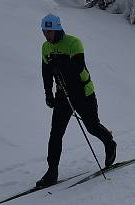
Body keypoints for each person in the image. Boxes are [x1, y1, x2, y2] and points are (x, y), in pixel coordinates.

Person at [36, 14, 116, 188]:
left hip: (82, 93)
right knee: (56, 133)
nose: (47, 35)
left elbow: (77, 68)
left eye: (50, 31)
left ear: (58, 29)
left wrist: (60, 65)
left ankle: (109, 142)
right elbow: (46, 73)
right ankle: (52, 172)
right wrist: (48, 93)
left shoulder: (74, 43)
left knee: (92, 126)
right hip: (62, 96)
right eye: (44, 31)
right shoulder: (45, 48)